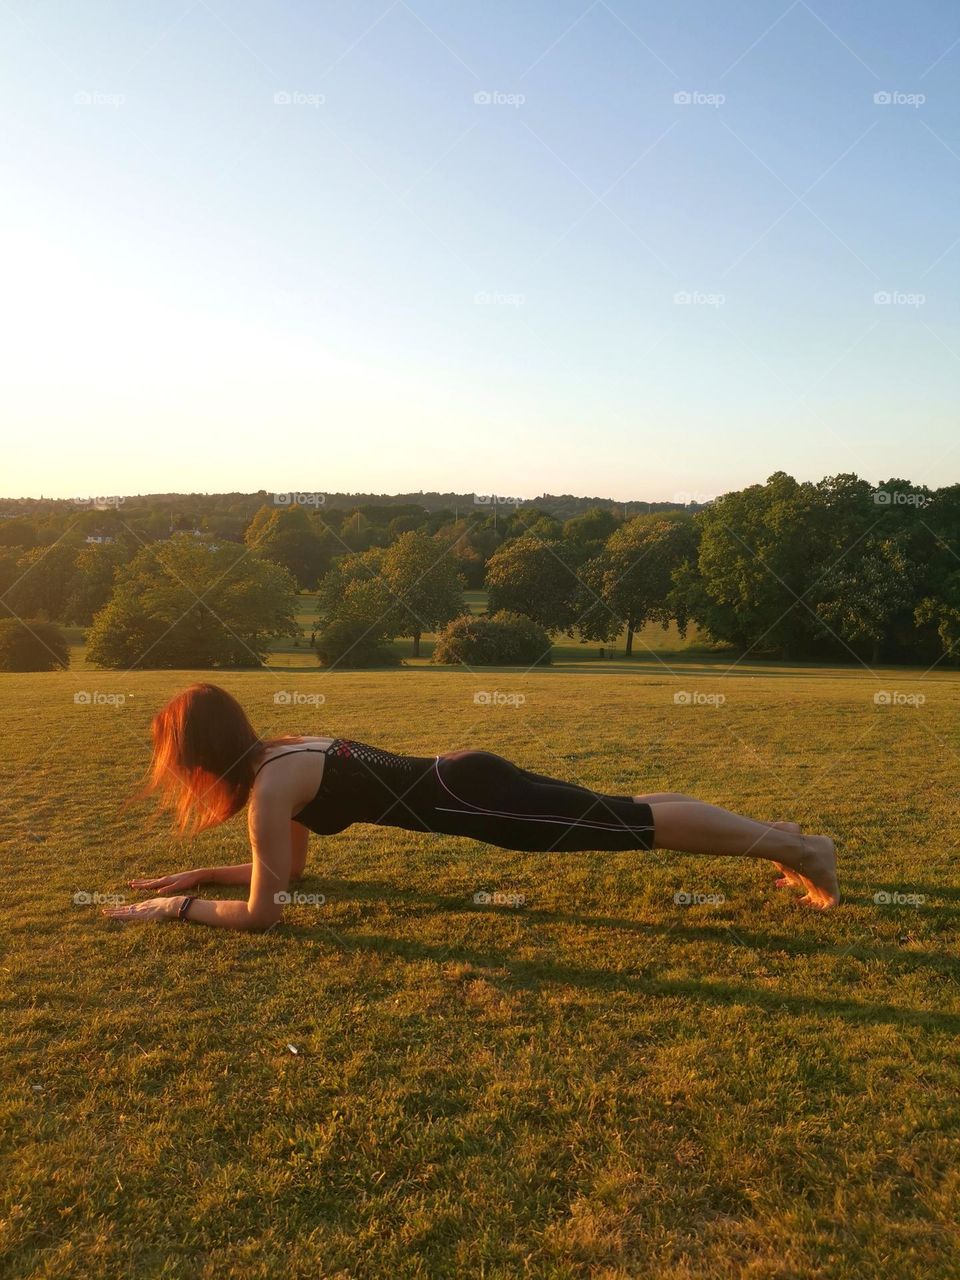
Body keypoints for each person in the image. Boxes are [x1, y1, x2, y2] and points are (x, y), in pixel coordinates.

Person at [104, 683, 839, 930]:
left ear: (202, 757)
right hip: (467, 777)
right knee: (626, 809)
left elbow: (267, 914)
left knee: (632, 825)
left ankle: (801, 851)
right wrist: (202, 873)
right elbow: (284, 873)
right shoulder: (284, 755)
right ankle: (786, 837)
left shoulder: (269, 790)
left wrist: (170, 910)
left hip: (476, 799)